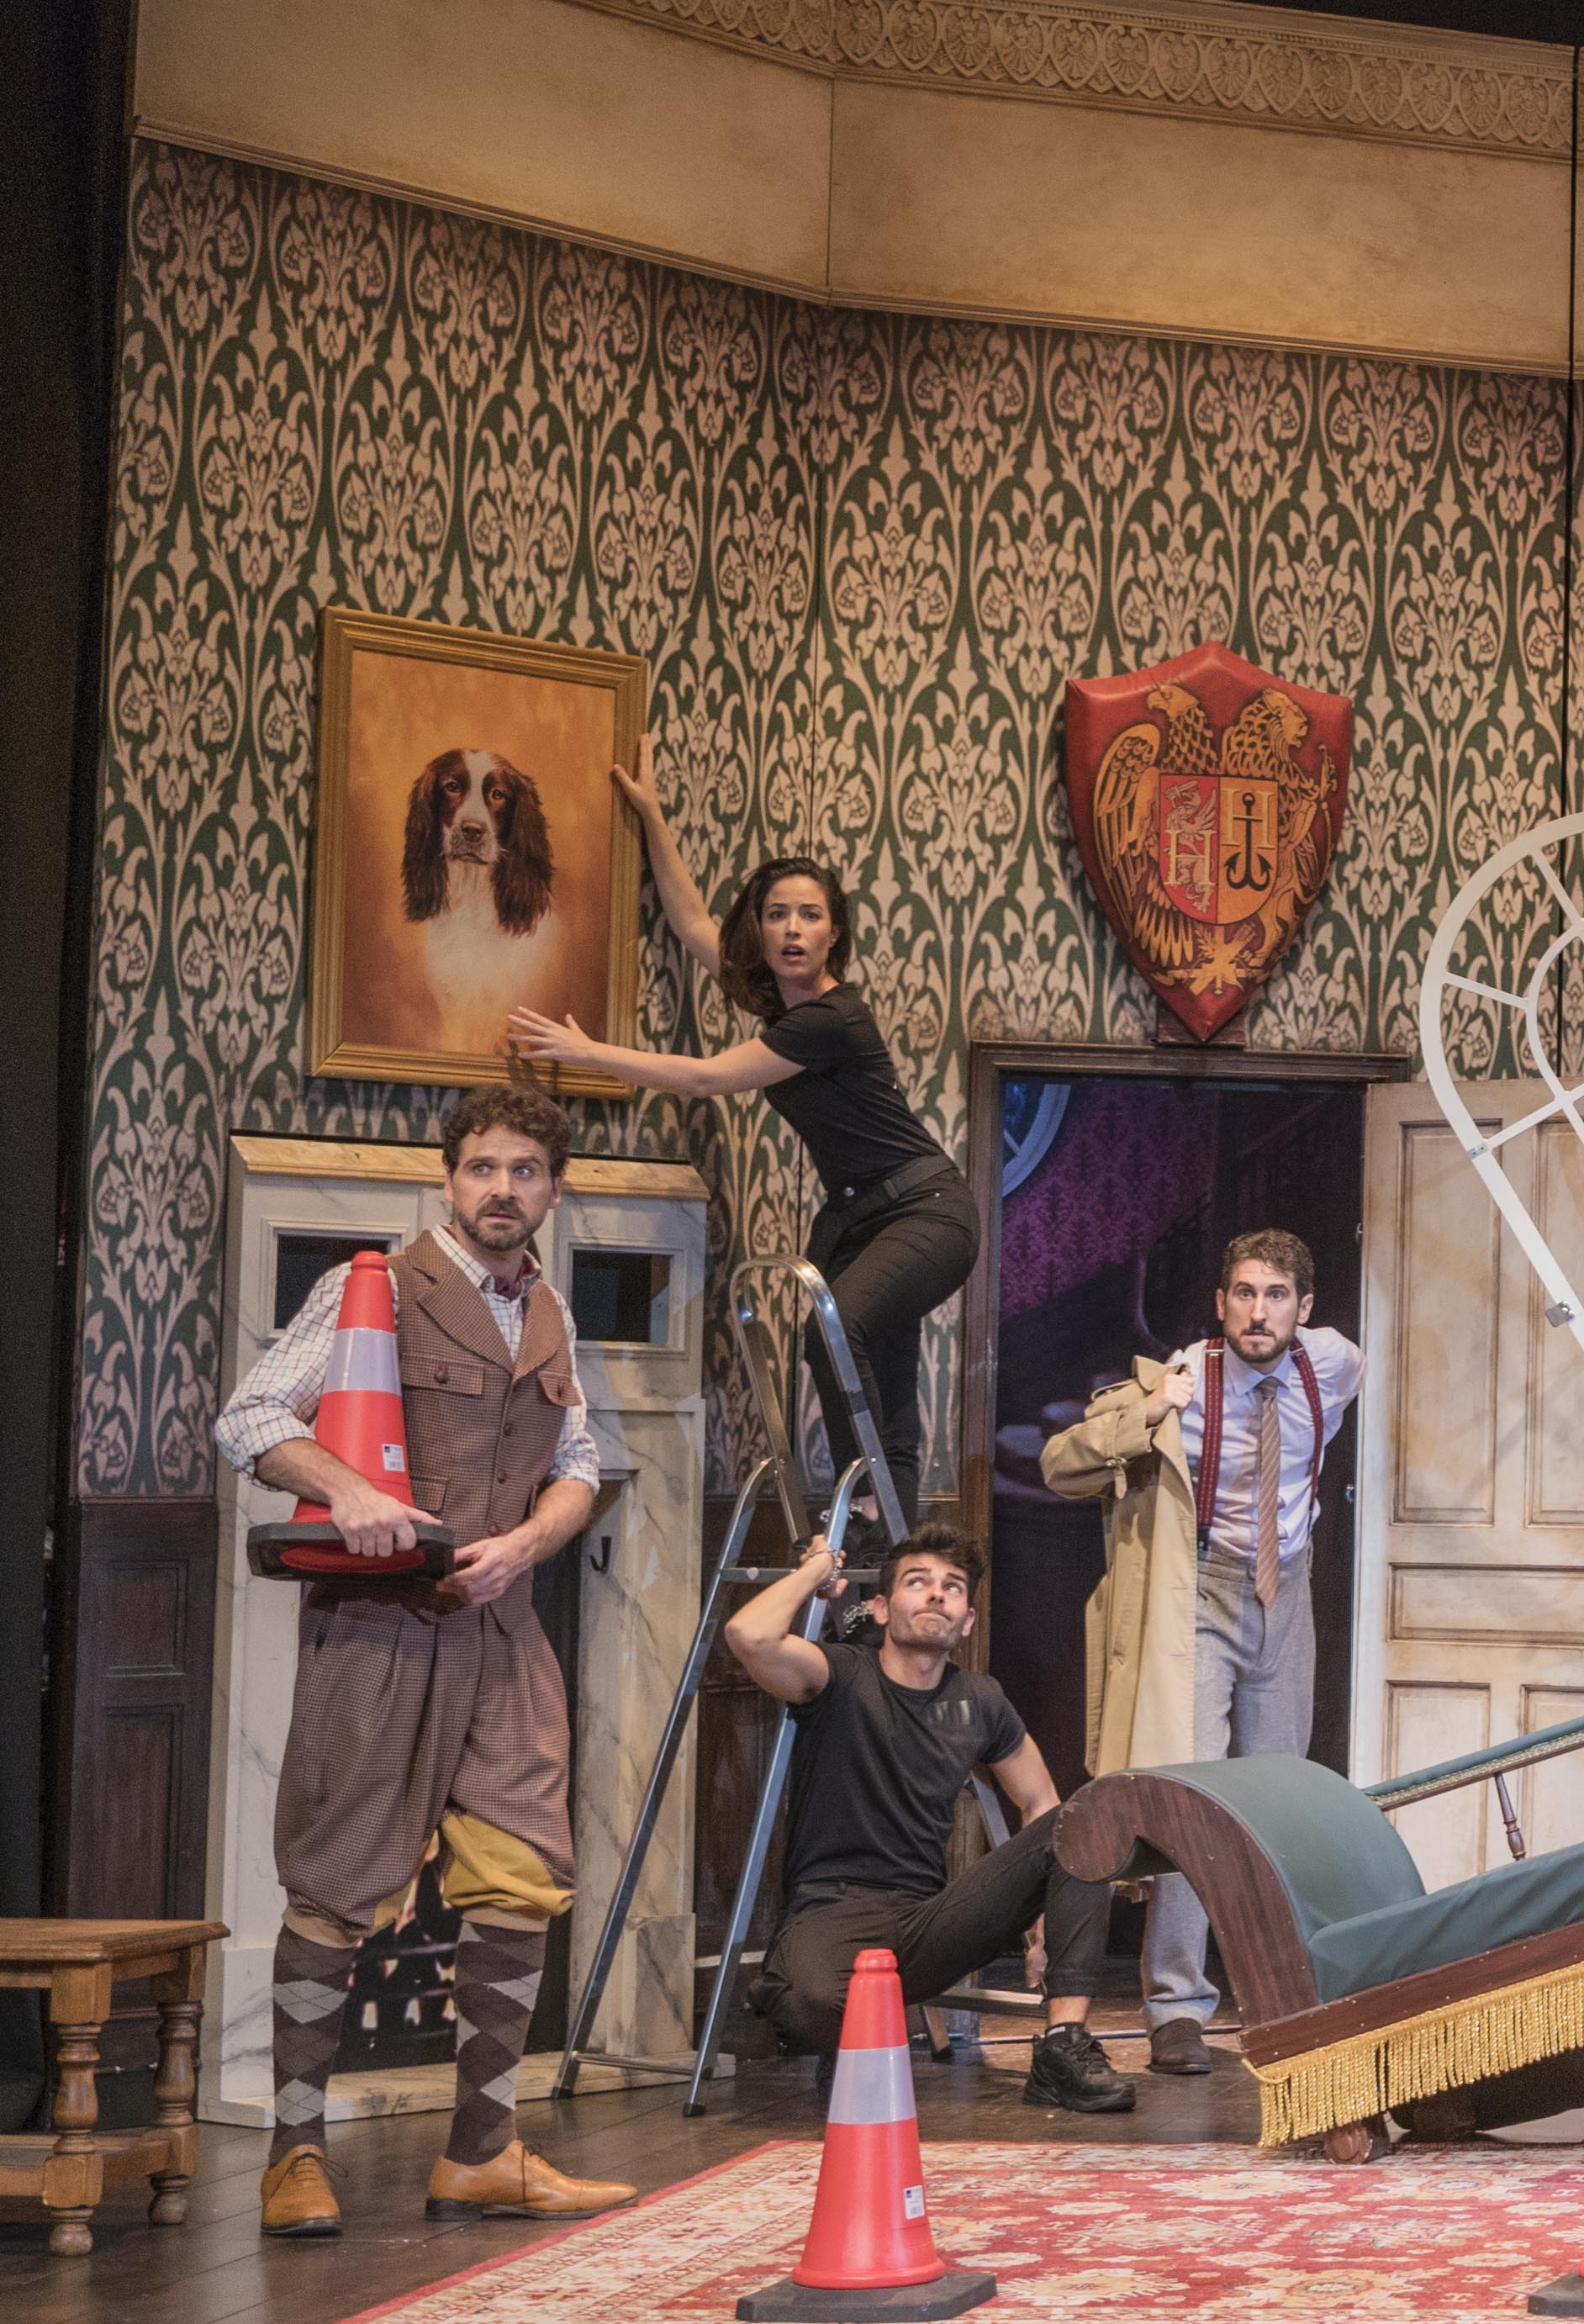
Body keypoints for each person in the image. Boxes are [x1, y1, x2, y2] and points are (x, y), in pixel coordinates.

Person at [215, 1085, 639, 2237]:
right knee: (338, 1876)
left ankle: (481, 2154)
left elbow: (580, 1463)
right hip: (382, 1628)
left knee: (522, 1869)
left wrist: (530, 1544)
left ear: (555, 1189)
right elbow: (252, 1417)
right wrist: (348, 1490)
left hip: (502, 1631)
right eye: (482, 1168)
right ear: (448, 1178)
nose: (503, 1189)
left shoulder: (547, 1308)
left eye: (525, 1171)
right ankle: (294, 2155)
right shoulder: (379, 1288)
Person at [510, 744, 969, 1533]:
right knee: (872, 1360)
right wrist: (653, 816)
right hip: (861, 1217)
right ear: (759, 928)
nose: (793, 929)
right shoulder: (781, 1008)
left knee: (838, 1331)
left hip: (926, 1210)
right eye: (777, 914)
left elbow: (704, 1078)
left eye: (811, 915)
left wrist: (587, 1052)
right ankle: (888, 1530)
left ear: (834, 934)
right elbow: (693, 922)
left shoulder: (832, 1018)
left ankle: (870, 1498)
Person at [1033, 1229, 1363, 2077]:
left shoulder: (1334, 1364)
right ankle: (1177, 2006)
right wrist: (1147, 1414)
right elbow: (1059, 1464)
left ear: (1304, 1307)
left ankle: (1283, 1996)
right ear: (1221, 1303)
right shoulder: (1183, 1377)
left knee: (1279, 1804)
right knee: (1194, 1800)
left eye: (1277, 1295)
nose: (1259, 1312)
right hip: (1202, 1590)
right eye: (1244, 1293)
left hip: (1286, 1592)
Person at [721, 1525, 1142, 2114]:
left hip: (928, 1922)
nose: (937, 1594)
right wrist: (817, 1571)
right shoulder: (838, 1674)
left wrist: (1045, 1920)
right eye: (917, 1582)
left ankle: (1062, 2045)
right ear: (881, 1607)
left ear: (967, 1621)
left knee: (1085, 1819)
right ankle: (850, 2034)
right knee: (807, 2007)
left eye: (953, 1587)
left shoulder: (981, 1699)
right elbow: (748, 1634)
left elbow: (1043, 1805)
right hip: (833, 1912)